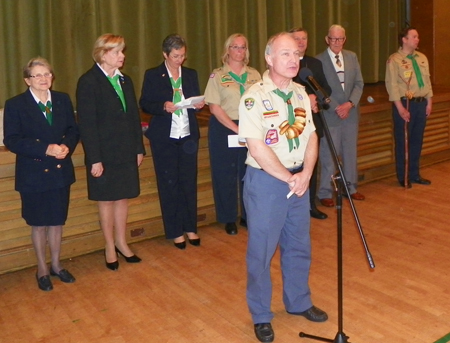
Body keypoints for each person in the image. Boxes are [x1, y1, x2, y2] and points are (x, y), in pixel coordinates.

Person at [238, 32, 328, 343]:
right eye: (285, 54)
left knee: (299, 245)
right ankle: (262, 314)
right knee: (261, 252)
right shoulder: (253, 96)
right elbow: (256, 145)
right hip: (266, 182)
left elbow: (312, 137)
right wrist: (288, 177)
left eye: (296, 54)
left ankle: (299, 301)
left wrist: (306, 173)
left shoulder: (302, 94)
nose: (293, 60)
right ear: (269, 59)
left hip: (298, 179)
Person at [3, 57, 79, 291]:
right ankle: (42, 269)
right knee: (39, 224)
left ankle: (56, 265)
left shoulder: (62, 99)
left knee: (56, 222)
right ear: (27, 80)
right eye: (37, 75)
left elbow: (73, 130)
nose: (44, 79)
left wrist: (66, 145)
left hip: (59, 172)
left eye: (47, 74)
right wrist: (45, 149)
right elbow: (12, 140)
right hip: (33, 174)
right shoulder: (16, 105)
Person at [76, 34, 145, 271]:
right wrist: (94, 158)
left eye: (122, 51)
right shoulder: (89, 81)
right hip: (103, 154)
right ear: (104, 54)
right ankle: (108, 246)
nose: (122, 56)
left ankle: (122, 242)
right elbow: (87, 125)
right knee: (106, 201)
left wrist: (138, 148)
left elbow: (134, 118)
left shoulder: (125, 80)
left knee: (123, 197)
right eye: (117, 52)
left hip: (126, 151)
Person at [139, 34, 205, 249]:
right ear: (165, 54)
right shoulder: (153, 75)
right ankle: (175, 231)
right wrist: (163, 106)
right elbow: (145, 103)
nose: (180, 60)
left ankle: (190, 227)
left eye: (183, 55)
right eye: (175, 56)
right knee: (169, 186)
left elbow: (196, 98)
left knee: (188, 183)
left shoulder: (190, 74)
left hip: (187, 137)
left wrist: (198, 104)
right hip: (164, 138)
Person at [204, 33, 261, 235]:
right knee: (225, 175)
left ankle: (248, 216)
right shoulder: (217, 75)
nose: (239, 51)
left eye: (243, 47)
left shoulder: (255, 75)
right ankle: (228, 218)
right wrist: (237, 129)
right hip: (225, 128)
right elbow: (214, 107)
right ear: (227, 50)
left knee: (250, 174)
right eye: (235, 47)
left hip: (251, 128)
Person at [316, 24, 365, 208]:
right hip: (331, 115)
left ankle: (350, 188)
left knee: (350, 153)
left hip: (350, 114)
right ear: (327, 39)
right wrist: (337, 107)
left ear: (345, 39)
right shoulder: (319, 61)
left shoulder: (352, 57)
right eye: (333, 39)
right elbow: (319, 90)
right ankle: (325, 192)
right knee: (329, 155)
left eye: (340, 39)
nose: (337, 42)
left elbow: (359, 84)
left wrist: (350, 104)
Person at [290, 27, 332, 220]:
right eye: (296, 39)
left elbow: (326, 88)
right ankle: (292, 208)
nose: (301, 42)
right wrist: (307, 98)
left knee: (311, 165)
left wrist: (318, 97)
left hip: (312, 122)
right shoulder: (285, 63)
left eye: (304, 38)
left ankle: (310, 206)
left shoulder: (314, 63)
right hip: (291, 124)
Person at [385, 27, 433, 187]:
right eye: (414, 37)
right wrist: (400, 108)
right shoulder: (395, 60)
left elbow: (427, 82)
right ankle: (403, 176)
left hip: (421, 104)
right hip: (405, 104)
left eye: (417, 37)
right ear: (404, 40)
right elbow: (392, 86)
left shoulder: (422, 58)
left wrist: (429, 102)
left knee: (416, 141)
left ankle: (415, 174)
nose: (417, 39)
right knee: (403, 141)